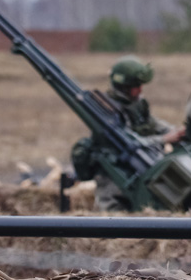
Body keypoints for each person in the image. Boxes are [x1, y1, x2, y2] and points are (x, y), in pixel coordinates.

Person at [70, 55, 184, 210]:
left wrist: (174, 131)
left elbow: (151, 123)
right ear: (124, 86)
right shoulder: (108, 111)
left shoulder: (136, 103)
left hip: (137, 164)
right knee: (113, 215)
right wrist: (164, 139)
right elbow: (130, 140)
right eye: (136, 85)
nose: (140, 89)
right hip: (113, 172)